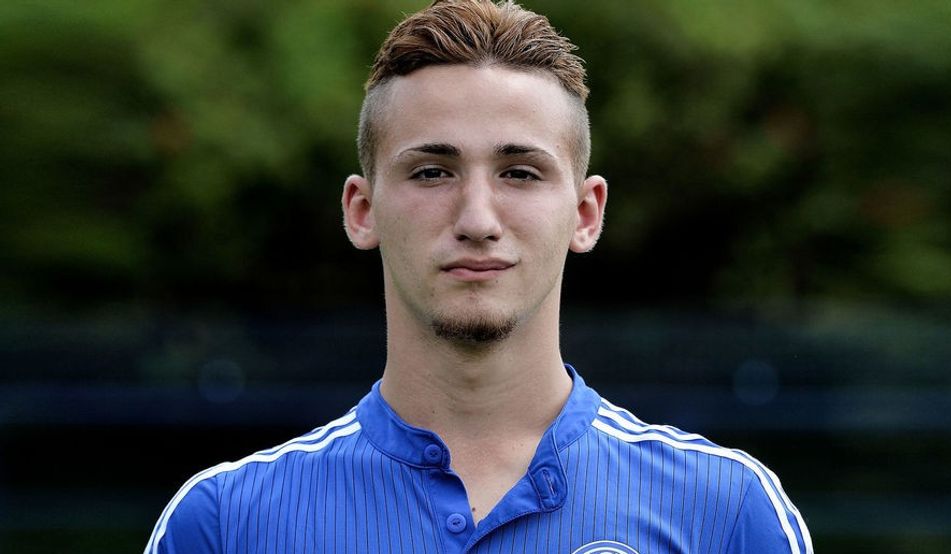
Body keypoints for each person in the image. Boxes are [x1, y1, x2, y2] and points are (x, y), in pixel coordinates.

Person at [144, 1, 812, 553]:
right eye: (433, 171)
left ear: (585, 214)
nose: (477, 218)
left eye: (520, 172)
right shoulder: (225, 523)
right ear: (362, 210)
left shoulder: (726, 514)